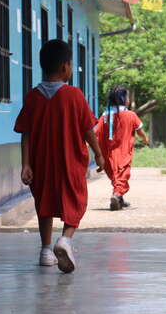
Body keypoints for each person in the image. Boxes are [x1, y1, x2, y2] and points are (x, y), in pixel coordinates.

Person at [14, 39, 105, 273]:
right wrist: (99, 154)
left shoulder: (33, 96)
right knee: (75, 199)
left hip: (40, 162)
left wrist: (25, 164)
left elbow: (25, 132)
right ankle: (65, 239)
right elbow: (88, 130)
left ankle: (45, 250)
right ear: (65, 67)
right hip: (70, 161)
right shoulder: (74, 95)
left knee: (43, 202)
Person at [95, 86, 149, 211]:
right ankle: (117, 195)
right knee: (122, 175)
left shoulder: (105, 115)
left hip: (108, 154)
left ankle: (119, 199)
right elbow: (140, 131)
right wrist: (145, 139)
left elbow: (95, 131)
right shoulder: (130, 115)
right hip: (123, 153)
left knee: (115, 176)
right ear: (124, 99)